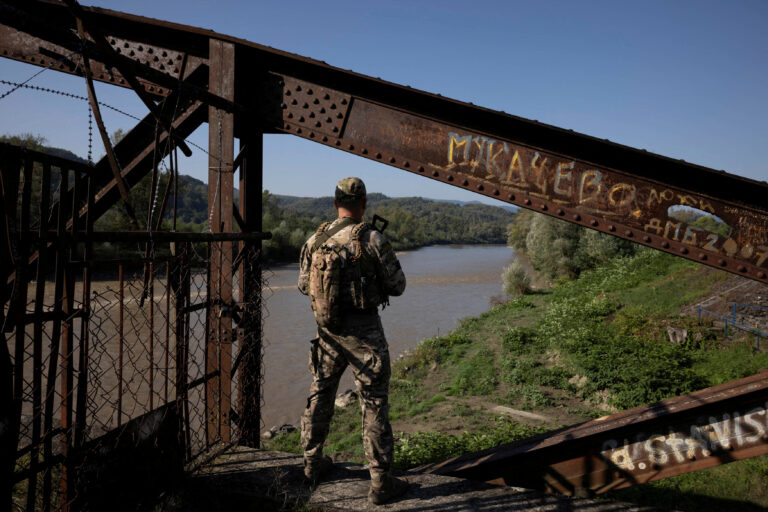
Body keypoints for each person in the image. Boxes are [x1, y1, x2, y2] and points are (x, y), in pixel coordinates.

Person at [298, 177, 408, 505]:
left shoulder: (314, 239)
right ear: (363, 205)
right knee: (373, 402)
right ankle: (379, 483)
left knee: (320, 394)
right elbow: (398, 285)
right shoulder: (372, 238)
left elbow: (304, 285)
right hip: (366, 335)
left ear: (335, 204)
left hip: (327, 333)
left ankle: (311, 466)